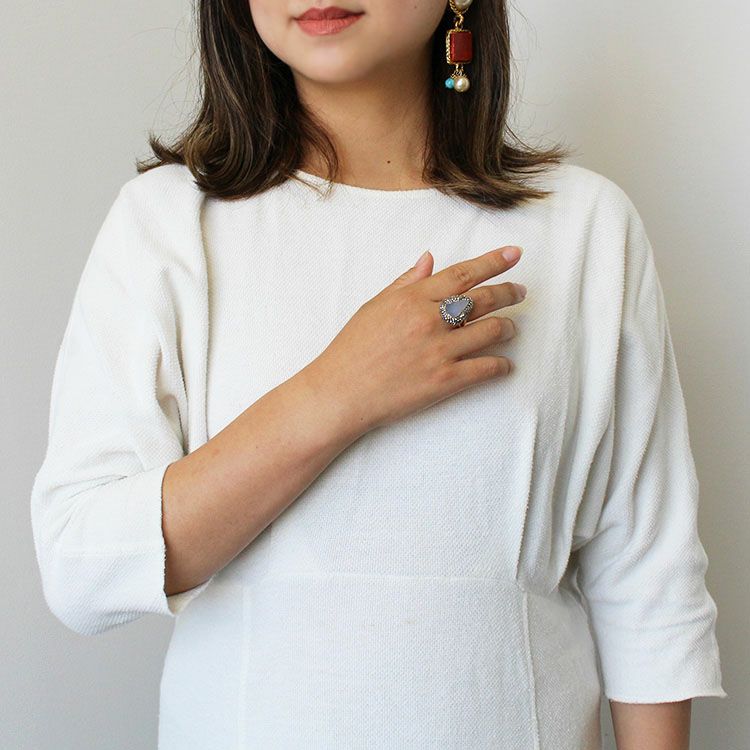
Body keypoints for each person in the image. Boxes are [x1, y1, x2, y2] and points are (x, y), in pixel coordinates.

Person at [30, 1, 727, 748]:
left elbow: (647, 577)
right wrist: (339, 393)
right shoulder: (169, 223)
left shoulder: (586, 224)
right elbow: (83, 568)